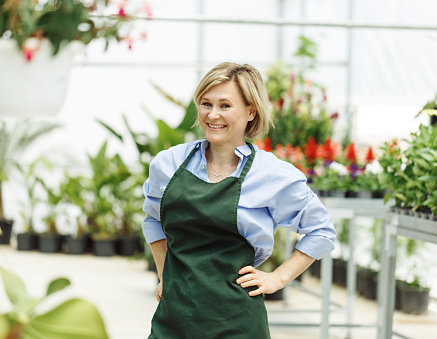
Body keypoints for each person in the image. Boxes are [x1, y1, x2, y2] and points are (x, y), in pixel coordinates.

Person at [141, 62, 336, 338]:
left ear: (250, 111)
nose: (213, 114)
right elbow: (153, 219)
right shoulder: (169, 164)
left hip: (236, 322)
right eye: (206, 103)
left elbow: (321, 230)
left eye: (225, 105)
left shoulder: (271, 174)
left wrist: (277, 278)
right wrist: (165, 275)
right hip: (173, 320)